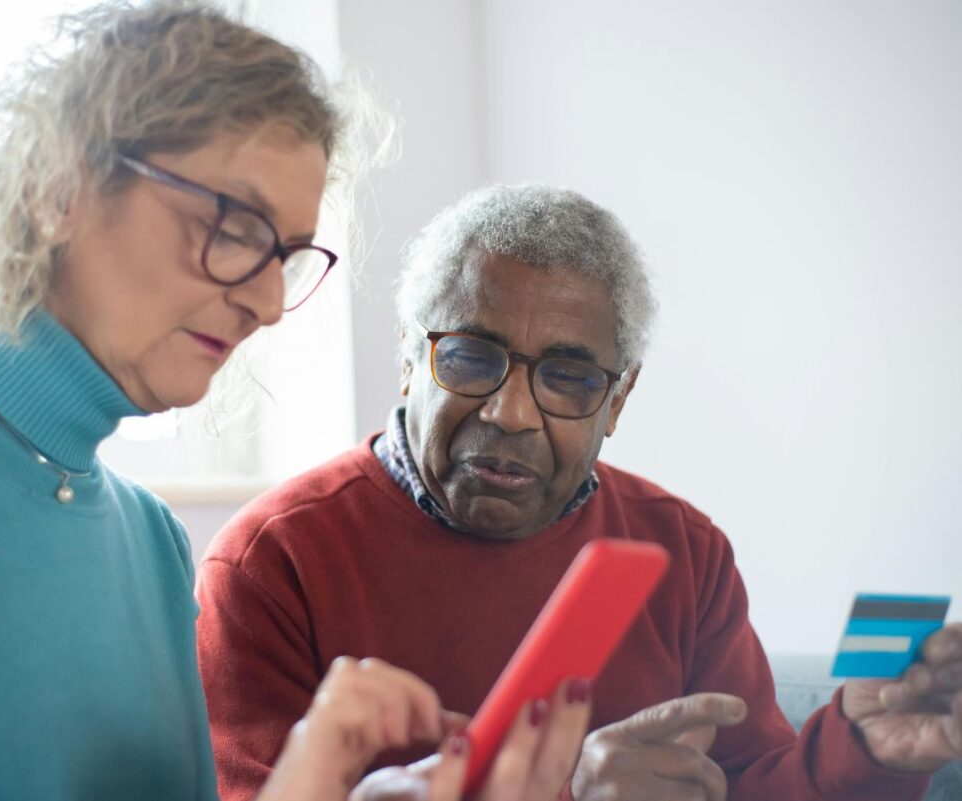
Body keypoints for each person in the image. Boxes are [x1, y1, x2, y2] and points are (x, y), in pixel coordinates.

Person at [0, 4, 591, 800]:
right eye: (233, 226)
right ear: (60, 187)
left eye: (288, 256)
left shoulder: (150, 540)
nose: (265, 303)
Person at [196, 183, 962, 800]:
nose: (511, 412)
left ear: (617, 402)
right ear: (409, 360)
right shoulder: (273, 562)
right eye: (470, 357)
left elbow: (751, 784)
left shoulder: (681, 550)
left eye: (567, 378)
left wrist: (863, 752)